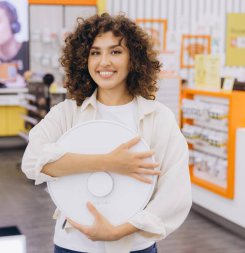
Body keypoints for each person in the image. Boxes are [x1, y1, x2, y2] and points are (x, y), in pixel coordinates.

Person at [21, 13, 191, 253]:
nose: (104, 62)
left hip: (136, 246)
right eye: (95, 52)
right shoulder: (67, 113)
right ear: (83, 59)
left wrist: (119, 232)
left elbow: (175, 192)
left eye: (115, 52)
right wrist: (108, 162)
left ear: (134, 58)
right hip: (73, 244)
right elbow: (32, 162)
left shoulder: (158, 117)